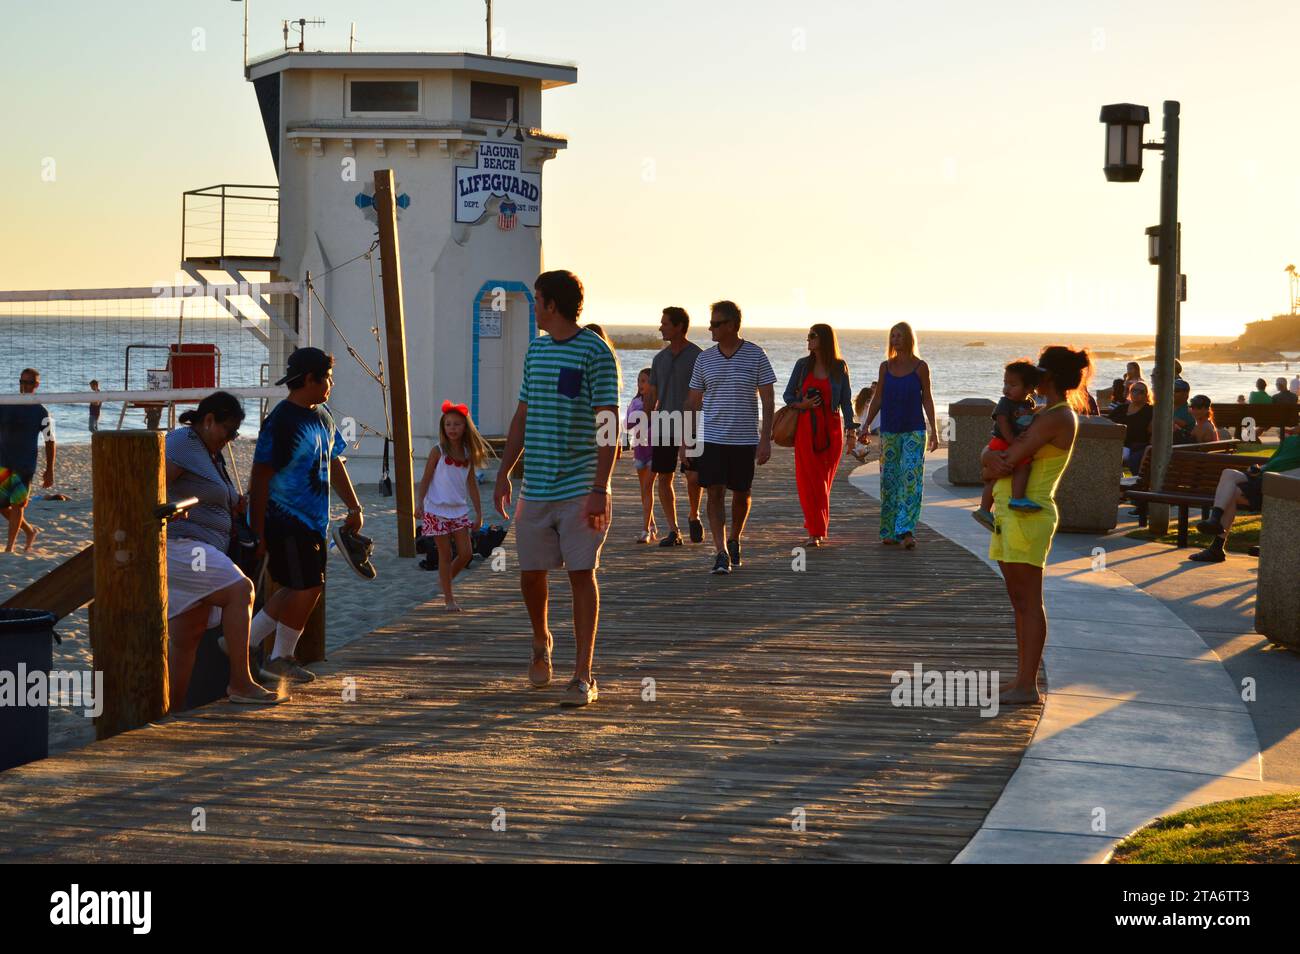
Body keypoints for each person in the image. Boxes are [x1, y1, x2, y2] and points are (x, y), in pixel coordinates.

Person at [493, 270, 619, 707]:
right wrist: (505, 470)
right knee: (531, 575)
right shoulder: (536, 350)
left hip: (582, 484)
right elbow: (522, 416)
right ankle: (541, 638)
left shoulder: (595, 353)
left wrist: (600, 487)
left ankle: (583, 673)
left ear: (551, 304)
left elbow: (608, 423)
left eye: (536, 299)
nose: (532, 306)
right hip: (537, 486)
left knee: (582, 574)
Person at [248, 347, 368, 685]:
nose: (331, 384)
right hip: (284, 519)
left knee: (296, 587)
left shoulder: (324, 415)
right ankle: (279, 657)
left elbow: (334, 462)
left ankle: (245, 642)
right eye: (327, 378)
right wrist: (255, 529)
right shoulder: (281, 421)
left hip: (316, 519)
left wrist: (355, 507)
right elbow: (260, 474)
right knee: (309, 586)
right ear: (310, 379)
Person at [981, 345, 1092, 705]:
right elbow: (991, 459)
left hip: (1029, 516)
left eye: (1041, 372)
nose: (1035, 377)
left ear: (1051, 377)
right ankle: (1021, 679)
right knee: (1018, 600)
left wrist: (990, 459)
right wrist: (988, 457)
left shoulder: (1057, 416)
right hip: (1011, 515)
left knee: (1029, 601)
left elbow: (1008, 459)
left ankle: (1028, 685)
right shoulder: (1040, 413)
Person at [164, 391, 282, 708]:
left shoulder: (208, 451)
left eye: (235, 434)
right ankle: (241, 682)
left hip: (198, 548)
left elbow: (210, 491)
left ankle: (172, 709)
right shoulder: (182, 442)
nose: (230, 439)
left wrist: (232, 503)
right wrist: (171, 508)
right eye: (228, 431)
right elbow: (153, 484)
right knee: (240, 590)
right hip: (183, 547)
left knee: (189, 633)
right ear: (208, 420)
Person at [684, 300, 776, 574]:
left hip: (744, 439)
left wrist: (765, 438)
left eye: (716, 323)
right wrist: (686, 441)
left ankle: (735, 537)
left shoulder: (756, 355)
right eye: (710, 322)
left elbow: (768, 400)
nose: (710, 328)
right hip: (711, 438)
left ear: (732, 326)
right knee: (713, 492)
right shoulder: (704, 359)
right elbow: (693, 403)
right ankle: (720, 550)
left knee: (742, 493)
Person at [858, 322, 939, 549]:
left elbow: (928, 399)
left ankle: (906, 531)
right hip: (890, 431)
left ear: (909, 339)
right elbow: (878, 398)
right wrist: (865, 426)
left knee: (911, 480)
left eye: (900, 335)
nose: (895, 339)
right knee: (890, 480)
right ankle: (889, 530)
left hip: (914, 429)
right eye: (892, 335)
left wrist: (934, 430)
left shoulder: (921, 367)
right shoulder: (885, 367)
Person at [783, 323, 857, 547]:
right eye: (808, 336)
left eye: (812, 336)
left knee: (823, 481)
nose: (808, 340)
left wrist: (851, 433)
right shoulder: (802, 366)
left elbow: (846, 402)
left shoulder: (839, 367)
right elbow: (787, 396)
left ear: (824, 339)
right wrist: (802, 404)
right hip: (806, 426)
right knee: (809, 480)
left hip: (831, 428)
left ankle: (815, 522)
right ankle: (816, 530)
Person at [414, 400, 488, 612]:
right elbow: (426, 479)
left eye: (457, 424)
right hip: (436, 509)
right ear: (443, 427)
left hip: (458, 510)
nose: (452, 428)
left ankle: (444, 581)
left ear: (465, 427)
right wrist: (420, 504)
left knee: (465, 553)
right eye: (448, 424)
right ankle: (449, 598)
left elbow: (471, 484)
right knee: (444, 555)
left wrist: (479, 513)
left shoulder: (467, 453)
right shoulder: (438, 451)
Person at [1189, 430, 1300, 563]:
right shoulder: (1291, 440)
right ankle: (1215, 522)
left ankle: (1216, 546)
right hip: (1261, 477)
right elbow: (1273, 462)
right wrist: (1258, 468)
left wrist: (1278, 476)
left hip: (1276, 484)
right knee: (1228, 475)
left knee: (1231, 491)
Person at [647, 306, 704, 547]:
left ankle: (694, 514)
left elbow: (704, 393)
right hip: (663, 423)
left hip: (692, 423)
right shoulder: (659, 359)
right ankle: (674, 530)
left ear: (679, 326)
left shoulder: (698, 357)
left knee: (693, 477)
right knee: (663, 477)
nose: (661, 327)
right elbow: (651, 394)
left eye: (665, 324)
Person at [973, 360, 1040, 531]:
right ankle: (1011, 500)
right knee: (1021, 467)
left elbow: (1028, 421)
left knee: (1004, 473)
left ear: (1028, 389)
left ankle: (985, 509)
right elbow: (1002, 421)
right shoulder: (1005, 402)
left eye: (1012, 384)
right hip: (1001, 441)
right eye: (1005, 383)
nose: (1006, 388)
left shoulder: (1028, 404)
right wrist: (1012, 441)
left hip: (1009, 442)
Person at [0, 368, 55, 553]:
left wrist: (50, 469)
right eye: (22, 382)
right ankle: (30, 531)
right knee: (2, 506)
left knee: (17, 504)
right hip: (3, 461)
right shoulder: (6, 403)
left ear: (36, 385)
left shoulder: (42, 411)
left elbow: (50, 441)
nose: (24, 386)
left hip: (24, 464)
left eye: (29, 383)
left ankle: (9, 547)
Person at [627, 368, 658, 543]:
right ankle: (652, 525)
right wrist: (638, 411)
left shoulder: (659, 402)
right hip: (639, 450)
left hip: (654, 450)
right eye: (639, 381)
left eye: (645, 381)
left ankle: (645, 530)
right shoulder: (635, 402)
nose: (640, 384)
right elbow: (628, 424)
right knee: (644, 490)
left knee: (648, 487)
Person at [1118, 379, 1153, 474]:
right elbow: (1107, 424)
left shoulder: (1150, 411)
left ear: (1147, 395)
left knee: (1113, 455)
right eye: (1133, 390)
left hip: (1135, 447)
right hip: (1117, 443)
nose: (1136, 393)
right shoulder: (1121, 409)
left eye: (1140, 392)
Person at [848, 386, 874, 462]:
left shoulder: (860, 403)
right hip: (864, 423)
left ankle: (860, 455)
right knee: (862, 440)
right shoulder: (868, 402)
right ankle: (856, 452)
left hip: (861, 423)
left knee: (862, 440)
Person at [1171, 379, 1195, 444]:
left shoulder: (1191, 410)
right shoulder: (1167, 407)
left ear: (1185, 394)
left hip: (1183, 445)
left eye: (1176, 391)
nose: (1172, 393)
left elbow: (1184, 424)